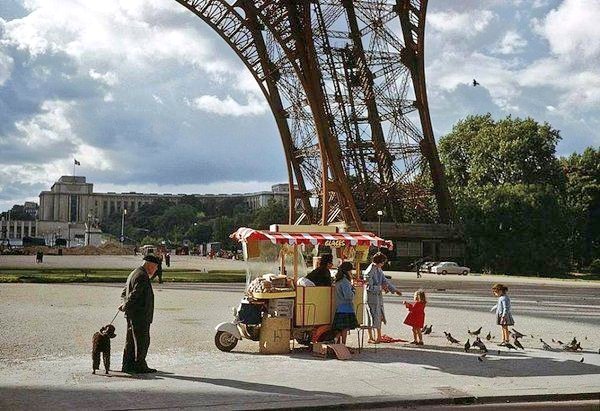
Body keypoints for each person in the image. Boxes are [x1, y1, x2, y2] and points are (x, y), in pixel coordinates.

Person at [119, 255, 160, 373]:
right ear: (150, 265)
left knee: (131, 341)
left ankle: (127, 365)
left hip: (132, 314)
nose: (156, 270)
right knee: (142, 341)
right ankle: (140, 365)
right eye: (155, 267)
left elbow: (124, 293)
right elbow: (134, 295)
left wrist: (124, 305)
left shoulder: (134, 273)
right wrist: (125, 305)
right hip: (140, 314)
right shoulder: (142, 276)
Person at [365, 252, 401, 343]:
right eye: (383, 262)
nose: (383, 264)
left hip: (378, 297)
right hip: (371, 297)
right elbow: (369, 287)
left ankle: (378, 336)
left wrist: (394, 290)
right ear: (379, 262)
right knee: (371, 316)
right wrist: (381, 287)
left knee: (379, 316)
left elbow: (385, 281)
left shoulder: (379, 269)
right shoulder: (369, 271)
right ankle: (370, 337)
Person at [331, 262, 358, 345]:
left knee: (340, 328)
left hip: (340, 307)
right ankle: (343, 344)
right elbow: (348, 296)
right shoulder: (345, 281)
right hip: (347, 307)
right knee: (345, 328)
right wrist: (353, 290)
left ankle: (336, 339)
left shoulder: (338, 281)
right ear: (348, 271)